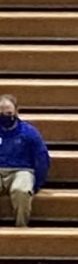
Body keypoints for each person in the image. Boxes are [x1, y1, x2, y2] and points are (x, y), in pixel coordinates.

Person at [0, 94, 50, 227]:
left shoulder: (29, 132)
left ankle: (21, 227)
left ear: (16, 111)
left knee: (21, 190)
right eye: (1, 112)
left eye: (8, 112)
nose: (5, 115)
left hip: (21, 170)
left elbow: (41, 157)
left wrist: (37, 183)